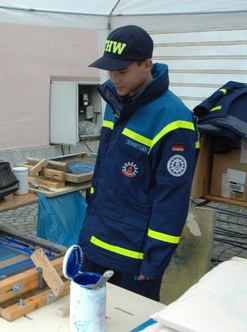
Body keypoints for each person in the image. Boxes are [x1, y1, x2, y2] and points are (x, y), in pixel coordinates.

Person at [78, 25, 200, 301]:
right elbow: (104, 176)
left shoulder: (173, 119)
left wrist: (155, 260)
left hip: (133, 257)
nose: (114, 79)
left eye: (122, 71)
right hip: (98, 242)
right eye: (110, 71)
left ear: (147, 65)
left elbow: (172, 199)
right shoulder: (115, 101)